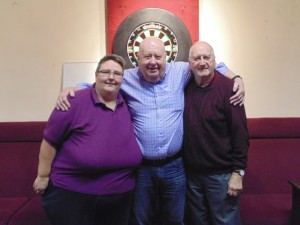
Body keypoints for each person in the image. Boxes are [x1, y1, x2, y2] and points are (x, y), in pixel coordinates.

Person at [56, 37, 245, 225]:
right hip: (142, 169)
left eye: (158, 56)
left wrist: (237, 78)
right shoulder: (127, 78)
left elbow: (209, 64)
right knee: (141, 219)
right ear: (137, 59)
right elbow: (102, 83)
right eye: (147, 57)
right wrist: (73, 89)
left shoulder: (180, 71)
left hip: (176, 167)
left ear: (166, 58)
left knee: (175, 219)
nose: (153, 62)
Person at [32, 54, 142, 225]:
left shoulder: (127, 102)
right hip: (73, 194)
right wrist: (43, 175)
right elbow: (50, 141)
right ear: (96, 75)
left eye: (117, 74)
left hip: (120, 196)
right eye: (106, 72)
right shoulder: (72, 102)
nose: (111, 77)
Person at [183, 41, 249, 225]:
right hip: (191, 176)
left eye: (207, 58)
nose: (202, 62)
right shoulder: (184, 87)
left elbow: (240, 134)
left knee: (225, 222)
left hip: (222, 176)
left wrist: (238, 173)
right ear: (189, 63)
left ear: (215, 61)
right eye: (197, 58)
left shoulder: (230, 89)